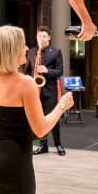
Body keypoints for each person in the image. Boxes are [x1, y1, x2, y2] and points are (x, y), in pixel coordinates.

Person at [0, 25, 73, 194]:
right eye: (23, 45)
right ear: (11, 50)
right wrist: (62, 105)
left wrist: (3, 132)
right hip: (14, 162)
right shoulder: (25, 82)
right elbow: (41, 129)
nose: (27, 48)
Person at [24, 26, 65, 156]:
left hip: (49, 91)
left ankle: (58, 144)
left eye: (44, 36)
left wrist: (47, 71)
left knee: (53, 118)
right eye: (39, 36)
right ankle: (43, 146)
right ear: (37, 37)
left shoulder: (56, 52)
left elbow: (60, 71)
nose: (41, 39)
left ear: (49, 37)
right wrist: (30, 79)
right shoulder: (30, 52)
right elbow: (26, 71)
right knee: (38, 119)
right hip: (35, 92)